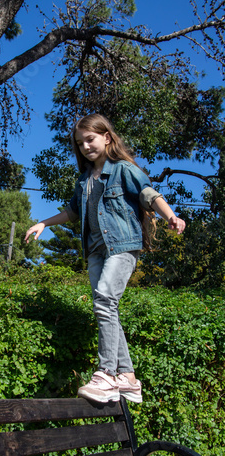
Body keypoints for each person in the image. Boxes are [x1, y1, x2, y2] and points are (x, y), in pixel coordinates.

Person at [25, 113, 186, 404]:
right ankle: (128, 378)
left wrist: (171, 216)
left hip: (122, 246)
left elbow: (149, 194)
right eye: (80, 143)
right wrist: (43, 224)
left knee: (104, 301)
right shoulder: (84, 180)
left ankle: (107, 374)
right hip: (96, 252)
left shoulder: (123, 169)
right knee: (107, 308)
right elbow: (73, 212)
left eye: (90, 139)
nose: (85, 146)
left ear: (106, 137)